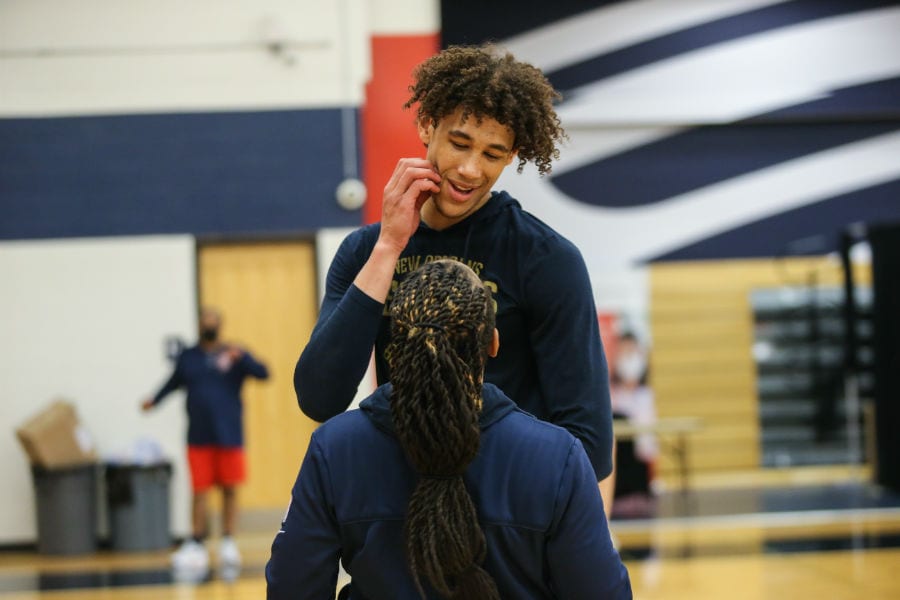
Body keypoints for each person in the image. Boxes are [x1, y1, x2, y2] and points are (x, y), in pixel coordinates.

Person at [294, 44, 615, 499]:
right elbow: (319, 398)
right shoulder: (366, 250)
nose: (469, 170)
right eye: (460, 143)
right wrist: (389, 245)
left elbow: (589, 441)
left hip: (507, 516)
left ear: (512, 156)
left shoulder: (546, 259)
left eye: (492, 154)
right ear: (428, 125)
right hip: (404, 508)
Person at [267, 260, 631, 599]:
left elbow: (291, 588)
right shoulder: (558, 458)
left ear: (395, 344)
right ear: (492, 343)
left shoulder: (335, 450)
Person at [142, 307, 269, 572]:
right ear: (199, 326)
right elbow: (172, 382)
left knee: (230, 489)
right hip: (199, 436)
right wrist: (154, 400)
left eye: (213, 323)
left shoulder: (233, 354)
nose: (209, 326)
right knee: (200, 491)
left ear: (220, 326)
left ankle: (228, 540)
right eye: (205, 322)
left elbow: (263, 373)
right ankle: (197, 542)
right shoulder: (188, 358)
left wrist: (243, 358)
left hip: (229, 435)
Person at [610, 331, 658, 518]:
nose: (629, 359)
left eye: (633, 353)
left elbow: (648, 447)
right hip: (616, 475)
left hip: (638, 480)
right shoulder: (609, 394)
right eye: (625, 353)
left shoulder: (646, 396)